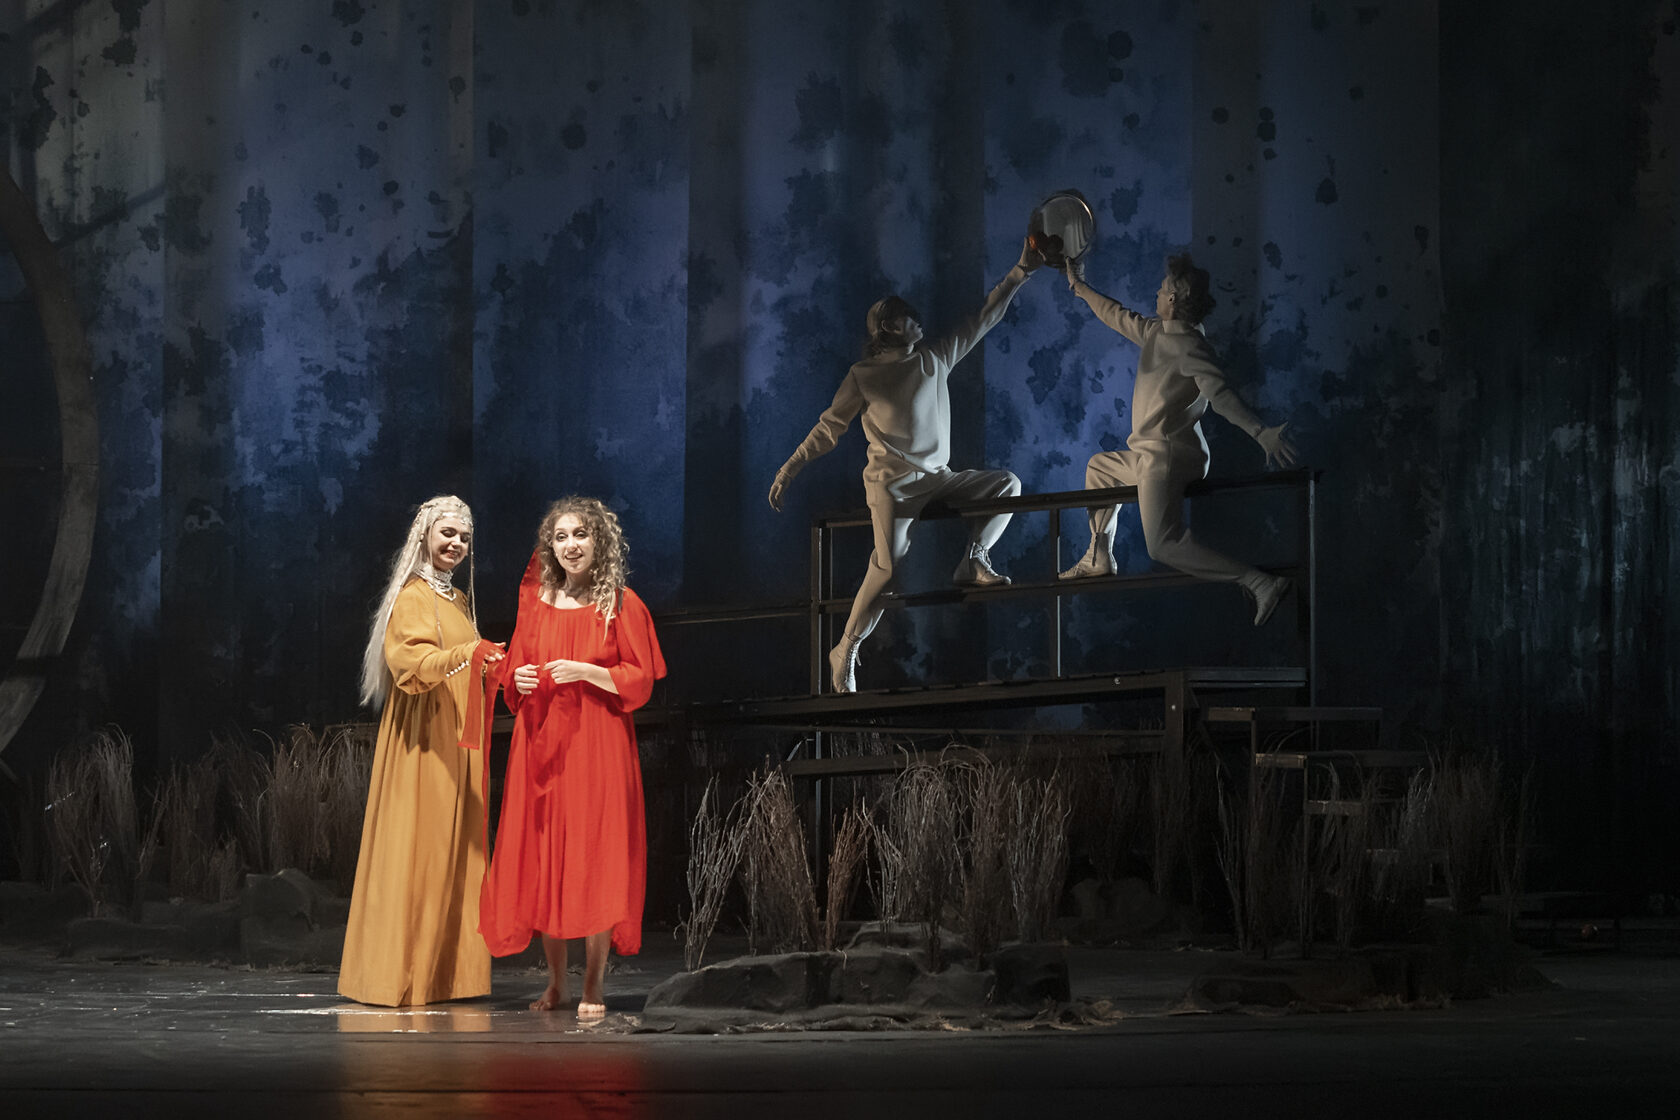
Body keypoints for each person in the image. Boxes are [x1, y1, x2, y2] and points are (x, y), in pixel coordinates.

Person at [769, 240, 1043, 692]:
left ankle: (974, 558)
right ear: (891, 327)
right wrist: (790, 468)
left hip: (939, 478)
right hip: (892, 484)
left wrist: (1020, 271)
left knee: (1006, 485)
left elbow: (983, 318)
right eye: (909, 318)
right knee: (887, 567)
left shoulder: (933, 359)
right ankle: (846, 647)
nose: (919, 323)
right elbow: (829, 427)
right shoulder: (864, 375)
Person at [479, 496, 666, 1021]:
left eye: (580, 534)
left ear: (599, 541)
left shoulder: (621, 604)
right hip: (541, 745)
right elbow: (515, 673)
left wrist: (586, 671)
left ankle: (594, 983)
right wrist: (515, 679)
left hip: (596, 744)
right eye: (560, 537)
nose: (570, 545)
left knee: (594, 856)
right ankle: (557, 982)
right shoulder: (537, 603)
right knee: (546, 859)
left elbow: (640, 680)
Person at [1057, 252, 1298, 625]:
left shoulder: (1190, 345)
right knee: (1100, 469)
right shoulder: (1157, 332)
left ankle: (1258, 582)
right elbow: (1114, 314)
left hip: (1169, 456)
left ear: (1172, 298)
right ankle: (1098, 555)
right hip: (1151, 454)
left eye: (1162, 288)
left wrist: (1259, 432)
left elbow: (1220, 396)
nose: (1156, 292)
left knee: (1162, 544)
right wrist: (1079, 285)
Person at [339, 495, 506, 1007]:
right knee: (421, 846)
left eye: (464, 537)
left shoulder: (457, 600)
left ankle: (444, 976)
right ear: (425, 536)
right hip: (424, 737)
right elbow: (411, 663)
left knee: (455, 849)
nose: (456, 543)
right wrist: (468, 653)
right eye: (447, 533)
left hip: (457, 738)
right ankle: (402, 974)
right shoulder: (413, 596)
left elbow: (465, 662)